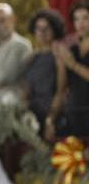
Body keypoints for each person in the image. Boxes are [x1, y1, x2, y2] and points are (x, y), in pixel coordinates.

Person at [24, 9, 67, 139]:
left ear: (54, 30)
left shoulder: (59, 56)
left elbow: (61, 92)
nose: (42, 33)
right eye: (38, 28)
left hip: (53, 114)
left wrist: (50, 120)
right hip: (32, 115)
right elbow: (27, 91)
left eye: (46, 28)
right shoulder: (32, 57)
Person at [55, 0, 89, 137]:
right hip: (73, 112)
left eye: (86, 18)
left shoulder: (71, 59)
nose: (80, 23)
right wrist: (51, 118)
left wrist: (73, 65)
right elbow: (61, 89)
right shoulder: (71, 50)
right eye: (76, 19)